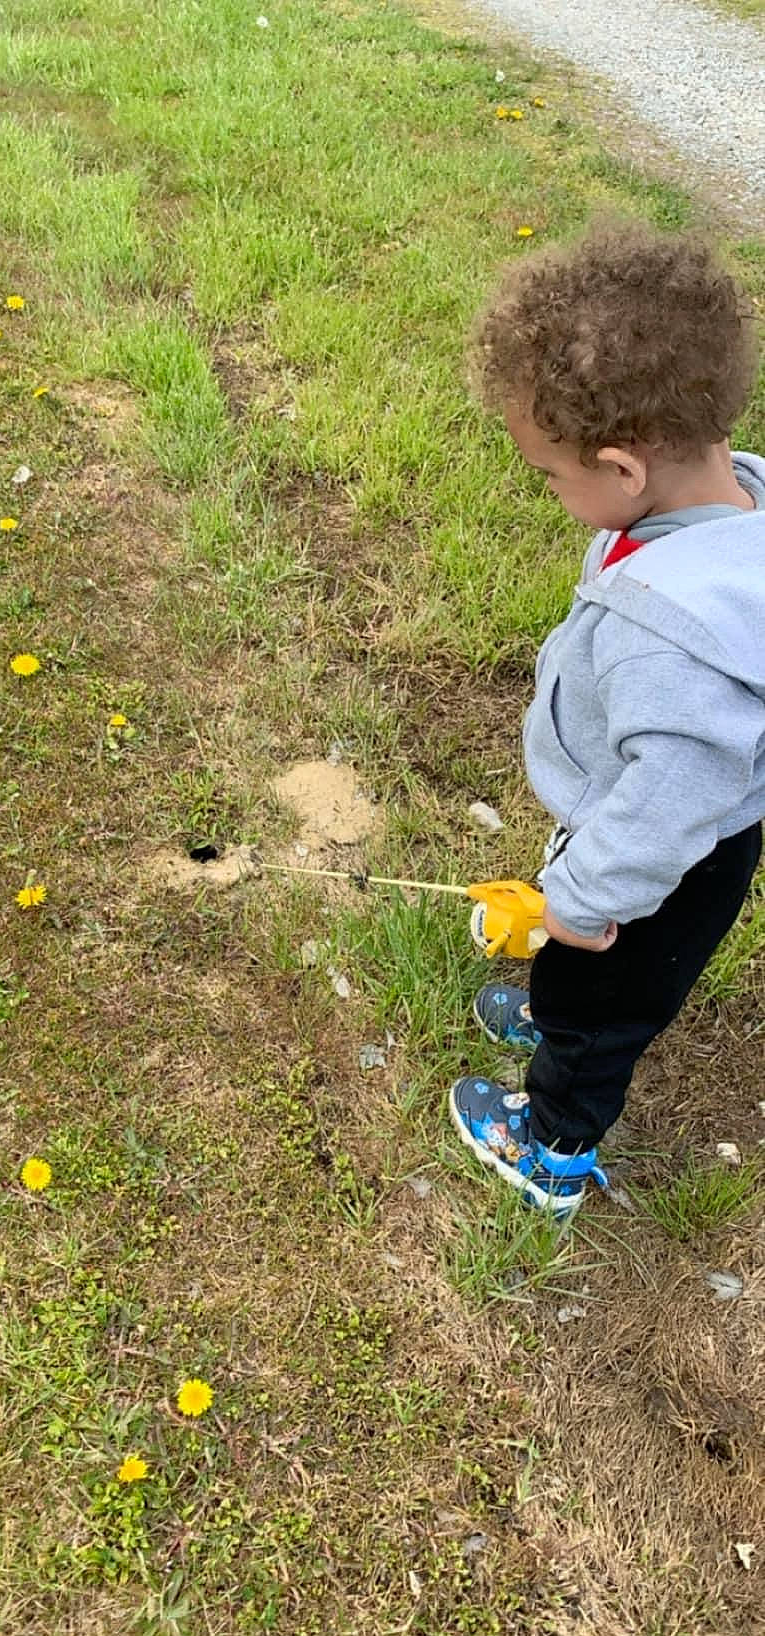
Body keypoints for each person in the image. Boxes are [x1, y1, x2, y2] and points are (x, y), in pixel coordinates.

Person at [449, 220, 764, 1221]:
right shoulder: (731, 496)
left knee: (602, 1003)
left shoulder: (678, 642)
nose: (546, 489)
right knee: (575, 965)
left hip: (664, 861)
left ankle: (550, 1146)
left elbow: (663, 809)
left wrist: (580, 902)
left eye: (548, 473)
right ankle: (556, 1013)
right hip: (638, 822)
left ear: (623, 471)